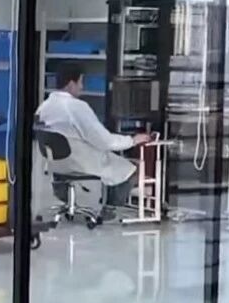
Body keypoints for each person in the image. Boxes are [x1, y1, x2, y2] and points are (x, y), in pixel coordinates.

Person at [35, 64, 151, 206]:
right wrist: (132, 140)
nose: (82, 87)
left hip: (56, 164)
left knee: (116, 166)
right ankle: (111, 209)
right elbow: (105, 141)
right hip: (80, 162)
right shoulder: (76, 107)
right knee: (131, 170)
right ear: (71, 84)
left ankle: (79, 203)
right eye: (80, 82)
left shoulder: (44, 107)